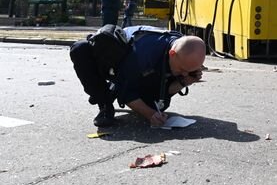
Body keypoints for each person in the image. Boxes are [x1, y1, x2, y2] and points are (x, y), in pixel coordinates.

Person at [69, 26, 206, 127]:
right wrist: (150, 114)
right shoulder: (143, 55)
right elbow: (127, 94)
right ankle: (105, 103)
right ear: (172, 53)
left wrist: (185, 81)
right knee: (80, 50)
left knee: (153, 105)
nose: (183, 73)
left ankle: (119, 87)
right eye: (182, 69)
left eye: (188, 71)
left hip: (143, 71)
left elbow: (164, 93)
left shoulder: (182, 54)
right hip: (119, 61)